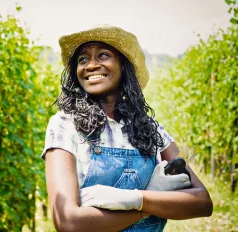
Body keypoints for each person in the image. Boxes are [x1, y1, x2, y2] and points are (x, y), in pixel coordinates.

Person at [42, 25, 213, 232]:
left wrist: (137, 198)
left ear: (123, 66)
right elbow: (68, 222)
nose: (91, 65)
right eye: (83, 59)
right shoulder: (65, 125)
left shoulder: (150, 128)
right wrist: (150, 203)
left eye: (103, 55)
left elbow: (202, 202)